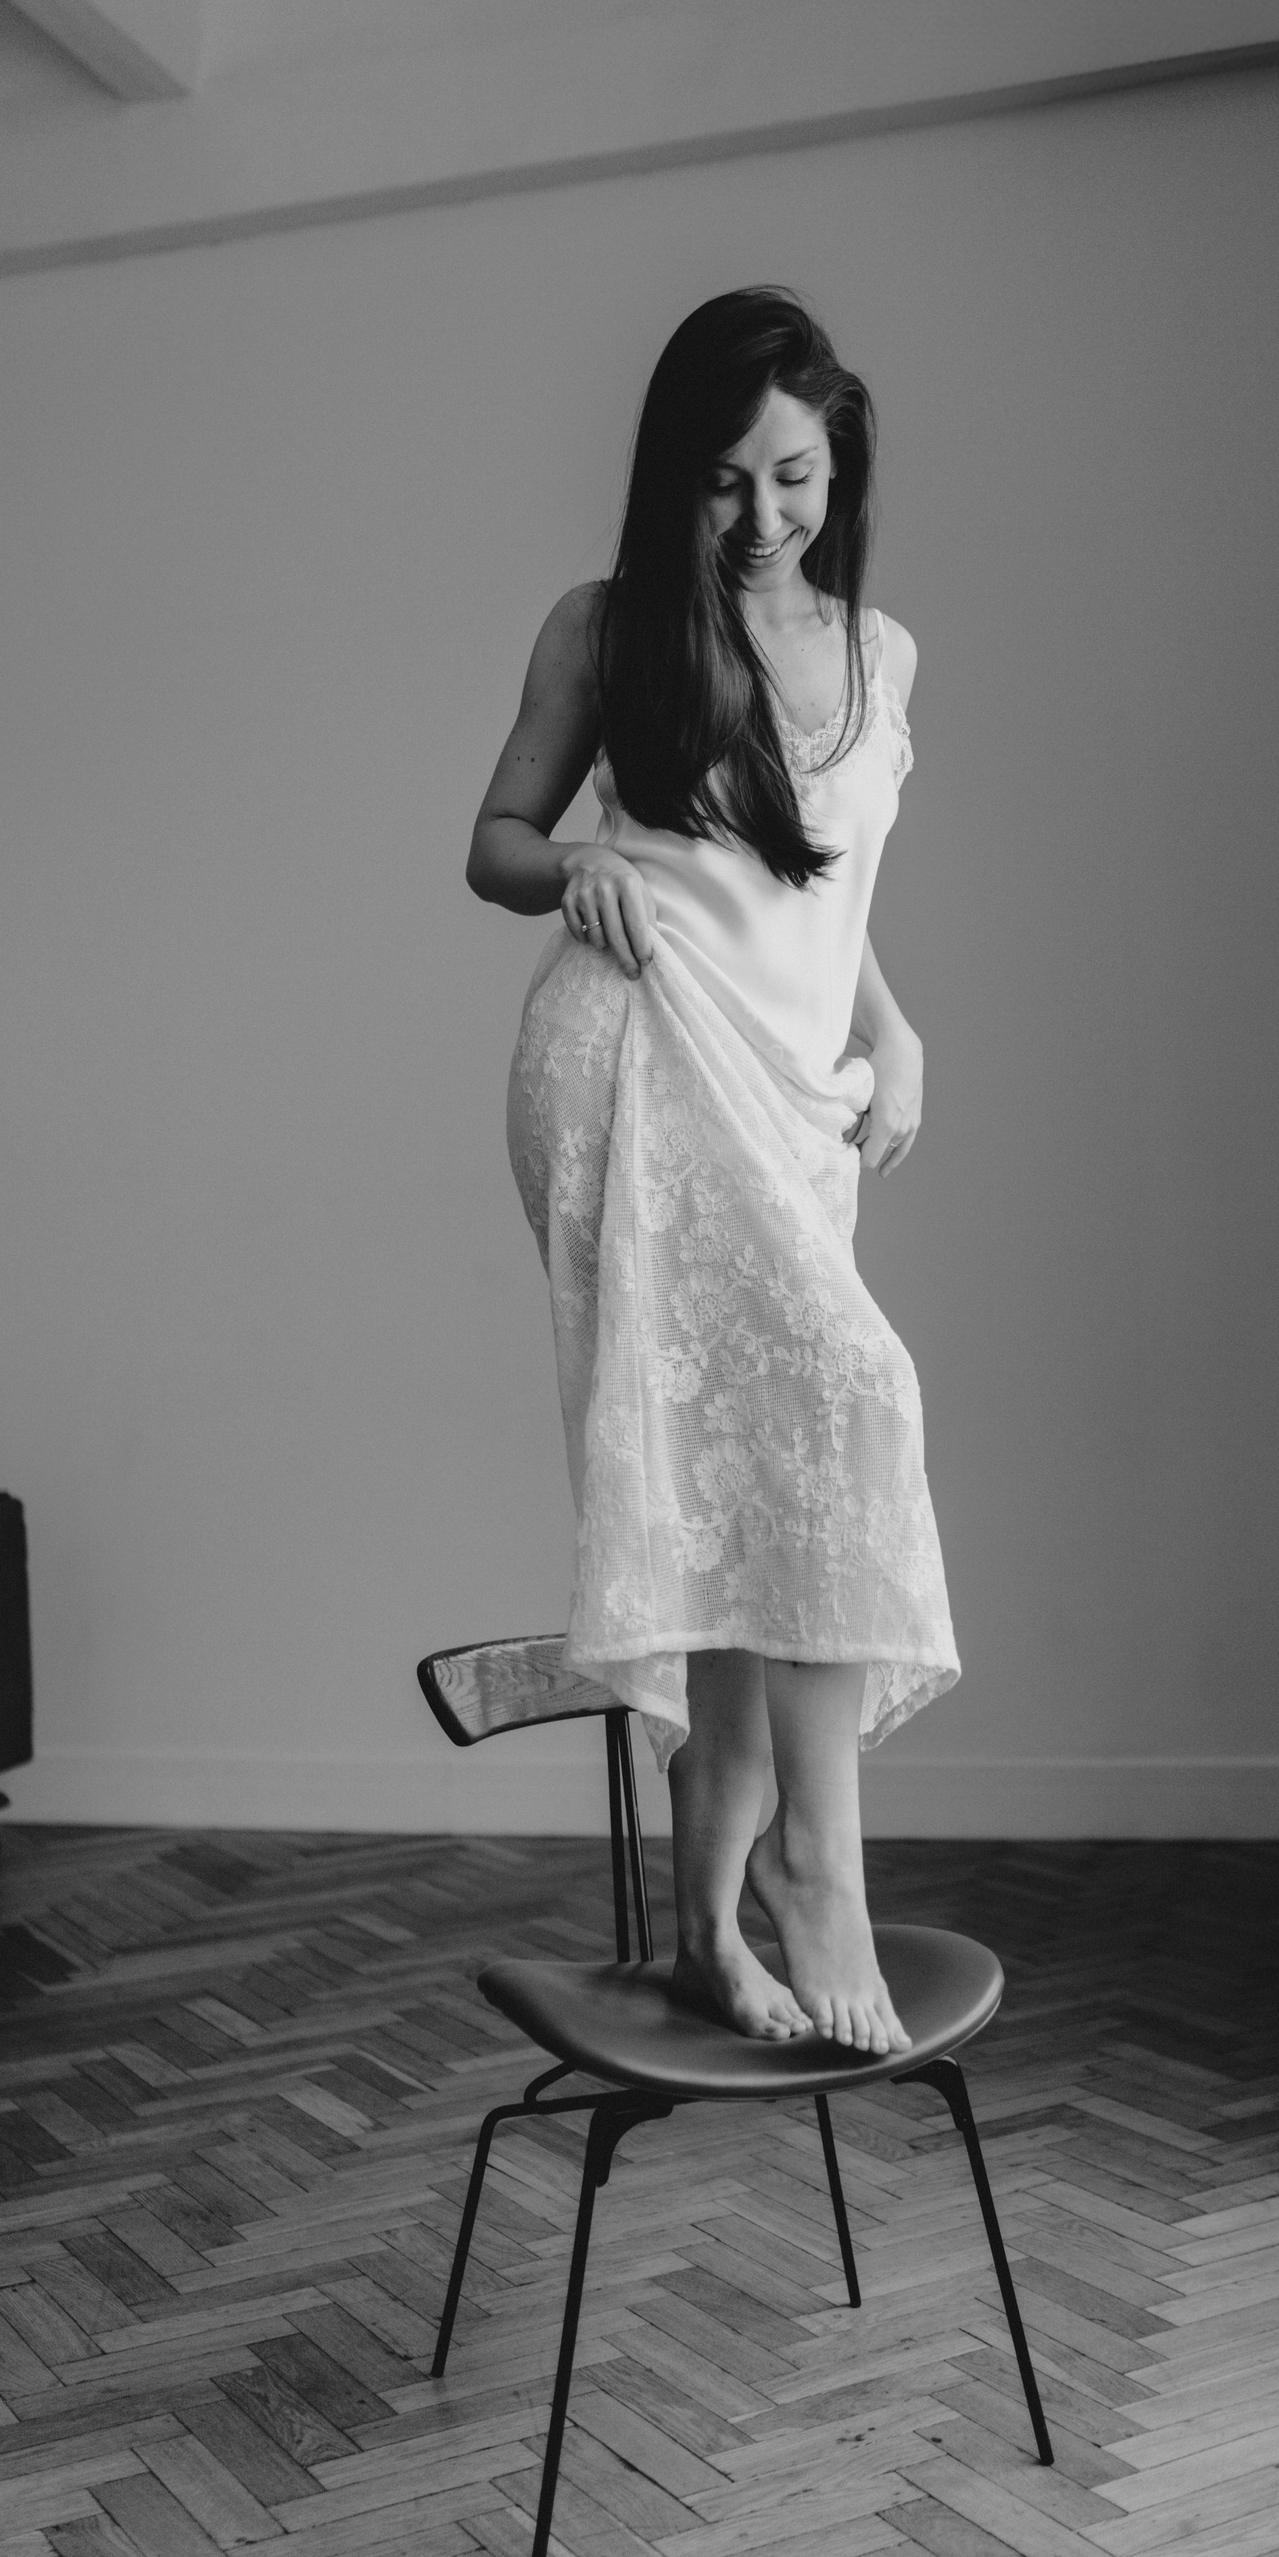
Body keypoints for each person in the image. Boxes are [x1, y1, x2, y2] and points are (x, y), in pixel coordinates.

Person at [468, 287, 957, 2057]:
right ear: (672, 471)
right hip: (632, 1049)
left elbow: (816, 885)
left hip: (792, 1089)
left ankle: (702, 1936)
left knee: (747, 1503)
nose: (761, 517)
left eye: (795, 478)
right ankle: (820, 1875)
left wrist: (894, 1031)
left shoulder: (880, 655)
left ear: (842, 465)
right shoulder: (608, 627)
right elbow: (497, 841)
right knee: (845, 1399)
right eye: (725, 481)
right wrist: (574, 870)